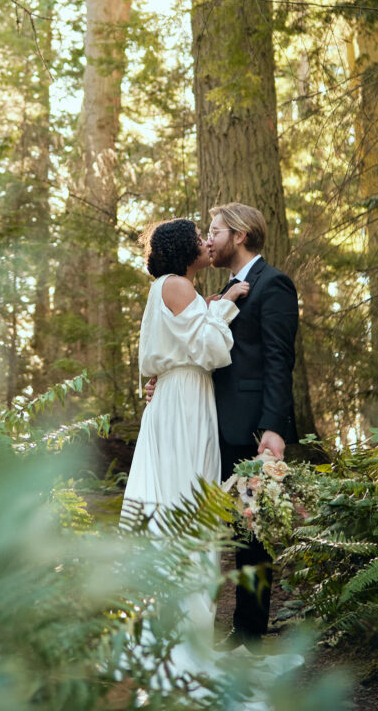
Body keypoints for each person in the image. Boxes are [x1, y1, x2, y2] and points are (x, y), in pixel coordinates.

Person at [146, 202, 299, 646]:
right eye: (206, 232)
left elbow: (278, 362)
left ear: (241, 234)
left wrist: (274, 427)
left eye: (214, 231)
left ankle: (249, 632)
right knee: (217, 528)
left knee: (252, 530)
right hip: (208, 427)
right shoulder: (217, 292)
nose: (208, 239)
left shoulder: (274, 285)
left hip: (251, 428)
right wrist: (165, 381)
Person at [121, 217, 250, 535]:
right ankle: (188, 576)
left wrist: (207, 308)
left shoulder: (166, 287)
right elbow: (211, 349)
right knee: (188, 488)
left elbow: (181, 340)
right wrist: (226, 304)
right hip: (185, 400)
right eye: (197, 238)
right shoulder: (178, 285)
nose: (207, 242)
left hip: (177, 394)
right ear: (182, 247)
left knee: (179, 486)